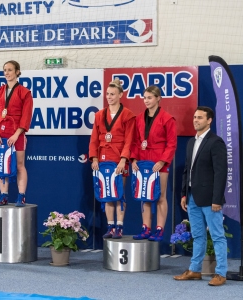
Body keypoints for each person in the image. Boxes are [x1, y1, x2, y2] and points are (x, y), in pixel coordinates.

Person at [173, 106, 227, 286]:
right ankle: (195, 270)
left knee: (218, 236)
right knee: (197, 236)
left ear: (209, 120)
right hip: (192, 198)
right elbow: (187, 171)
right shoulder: (191, 142)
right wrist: (183, 194)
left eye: (200, 118)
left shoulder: (215, 142)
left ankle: (220, 273)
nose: (196, 120)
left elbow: (221, 173)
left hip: (210, 199)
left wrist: (217, 199)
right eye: (195, 117)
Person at [89, 78, 135, 239]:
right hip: (103, 158)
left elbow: (129, 139)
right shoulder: (99, 115)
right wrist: (94, 158)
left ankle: (120, 226)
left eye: (113, 94)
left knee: (119, 194)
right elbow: (94, 138)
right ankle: (110, 226)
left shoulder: (128, 115)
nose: (109, 97)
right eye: (107, 94)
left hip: (118, 158)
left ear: (121, 95)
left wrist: (124, 159)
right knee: (106, 193)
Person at [131, 86, 177, 241]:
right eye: (144, 98)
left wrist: (162, 161)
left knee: (160, 196)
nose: (146, 101)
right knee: (145, 195)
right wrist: (134, 158)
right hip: (143, 160)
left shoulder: (167, 119)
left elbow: (171, 144)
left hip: (159, 161)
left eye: (149, 97)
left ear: (158, 98)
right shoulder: (138, 118)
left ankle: (159, 229)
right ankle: (146, 228)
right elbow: (136, 141)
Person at [0, 60, 33, 207]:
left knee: (19, 165)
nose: (7, 73)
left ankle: (21, 196)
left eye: (10, 70)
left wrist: (17, 135)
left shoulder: (25, 93)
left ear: (17, 72)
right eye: (5, 70)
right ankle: (4, 195)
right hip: (0, 133)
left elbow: (26, 116)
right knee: (2, 165)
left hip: (16, 133)